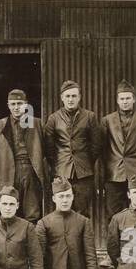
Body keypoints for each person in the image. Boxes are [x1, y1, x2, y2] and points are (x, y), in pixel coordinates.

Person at [44, 80, 102, 218]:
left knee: (82, 213)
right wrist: (58, 164)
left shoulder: (90, 117)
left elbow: (96, 145)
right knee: (61, 212)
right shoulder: (53, 118)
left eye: (74, 96)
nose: (71, 99)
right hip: (61, 172)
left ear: (79, 97)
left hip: (84, 173)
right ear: (62, 97)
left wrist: (85, 161)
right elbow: (49, 147)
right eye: (68, 96)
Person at [0, 88, 47, 223]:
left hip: (30, 171)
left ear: (26, 105)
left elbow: (46, 150)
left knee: (32, 212)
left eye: (19, 104)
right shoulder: (0, 125)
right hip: (7, 170)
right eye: (13, 104)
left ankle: (32, 241)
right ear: (8, 105)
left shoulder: (36, 123)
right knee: (8, 209)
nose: (16, 107)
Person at [101, 81, 136, 220]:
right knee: (113, 214)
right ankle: (115, 242)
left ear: (134, 99)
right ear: (117, 100)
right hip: (114, 174)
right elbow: (103, 149)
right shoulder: (107, 120)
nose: (125, 102)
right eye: (122, 99)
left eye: (128, 98)